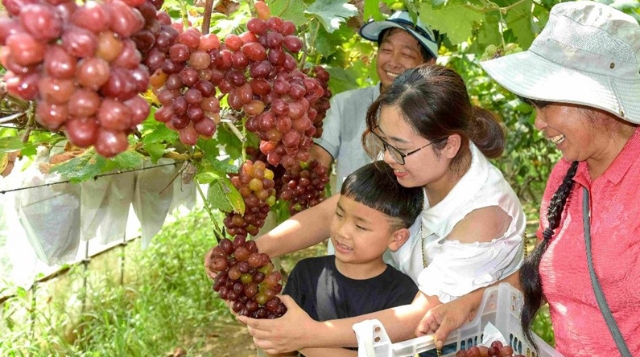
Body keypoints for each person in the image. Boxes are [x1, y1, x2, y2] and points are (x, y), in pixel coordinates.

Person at [209, 64, 526, 354]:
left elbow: (420, 316)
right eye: (384, 143)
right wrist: (252, 251)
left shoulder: (484, 215)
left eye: (398, 148)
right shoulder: (411, 161)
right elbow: (330, 212)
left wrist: (313, 334)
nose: (387, 158)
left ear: (450, 145)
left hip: (463, 343)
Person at [416, 2, 640, 357]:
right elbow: (544, 271)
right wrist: (474, 303)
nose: (538, 123)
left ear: (595, 100)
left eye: (545, 105)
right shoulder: (566, 175)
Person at [271, 162, 423, 357]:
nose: (343, 231)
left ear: (396, 238)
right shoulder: (307, 274)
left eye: (361, 227)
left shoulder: (402, 295)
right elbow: (280, 349)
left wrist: (299, 340)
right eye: (339, 214)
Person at [311, 10, 440, 189]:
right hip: (348, 213)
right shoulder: (345, 104)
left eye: (407, 54)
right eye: (386, 50)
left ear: (429, 64)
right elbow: (317, 162)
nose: (393, 61)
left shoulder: (437, 115)